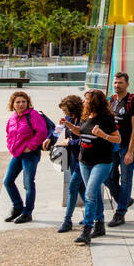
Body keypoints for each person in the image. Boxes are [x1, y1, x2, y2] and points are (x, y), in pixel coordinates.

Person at [58, 89, 121, 245]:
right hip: (84, 161)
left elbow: (117, 139)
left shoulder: (106, 119)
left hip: (102, 162)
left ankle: (87, 229)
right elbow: (82, 132)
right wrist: (69, 125)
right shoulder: (87, 116)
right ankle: (99, 224)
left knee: (90, 194)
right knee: (94, 194)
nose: (83, 102)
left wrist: (103, 135)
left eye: (86, 100)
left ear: (94, 102)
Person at [3, 90, 49, 224]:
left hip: (30, 154)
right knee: (8, 181)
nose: (21, 104)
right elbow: (8, 134)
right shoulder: (12, 117)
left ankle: (27, 212)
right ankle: (17, 207)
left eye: (24, 101)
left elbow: (42, 132)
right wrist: (10, 146)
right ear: (13, 104)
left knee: (28, 183)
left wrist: (31, 147)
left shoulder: (33, 115)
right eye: (18, 102)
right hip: (17, 153)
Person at [107, 72, 134, 227]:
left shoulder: (132, 101)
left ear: (127, 84)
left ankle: (120, 212)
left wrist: (130, 151)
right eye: (115, 83)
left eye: (120, 83)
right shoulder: (113, 100)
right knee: (108, 176)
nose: (117, 85)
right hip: (113, 145)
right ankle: (126, 200)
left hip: (127, 146)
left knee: (126, 179)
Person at [54, 94, 85, 234]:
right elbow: (58, 130)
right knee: (81, 188)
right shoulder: (68, 118)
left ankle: (67, 220)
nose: (66, 114)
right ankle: (95, 214)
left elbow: (87, 140)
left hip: (83, 158)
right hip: (72, 156)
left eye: (67, 111)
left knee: (73, 187)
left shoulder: (84, 119)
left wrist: (69, 142)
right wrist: (50, 140)